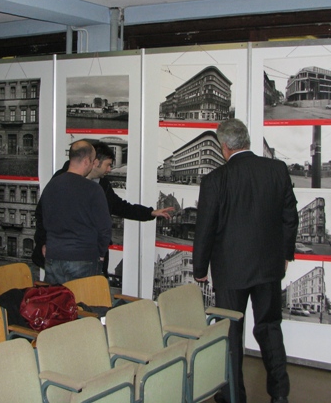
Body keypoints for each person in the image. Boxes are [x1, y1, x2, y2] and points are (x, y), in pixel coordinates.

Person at [192, 118, 298, 403]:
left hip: (231, 271)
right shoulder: (277, 170)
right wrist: (285, 255)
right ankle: (279, 395)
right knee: (270, 328)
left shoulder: (215, 180)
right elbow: (290, 217)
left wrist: (200, 268)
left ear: (224, 147)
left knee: (230, 333)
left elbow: (205, 228)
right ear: (247, 141)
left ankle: (233, 397)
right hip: (268, 269)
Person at [33, 140, 174, 275]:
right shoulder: (61, 179)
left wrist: (150, 212)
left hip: (87, 258)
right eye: (108, 165)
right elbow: (42, 214)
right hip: (58, 258)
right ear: (94, 162)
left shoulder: (102, 185)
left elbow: (120, 207)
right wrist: (43, 243)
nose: (109, 169)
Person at [39, 140, 112, 284]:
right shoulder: (93, 189)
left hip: (54, 257)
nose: (93, 165)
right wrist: (100, 253)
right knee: (83, 299)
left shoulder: (51, 185)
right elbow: (105, 228)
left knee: (56, 298)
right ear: (86, 161)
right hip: (84, 258)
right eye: (93, 161)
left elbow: (44, 220)